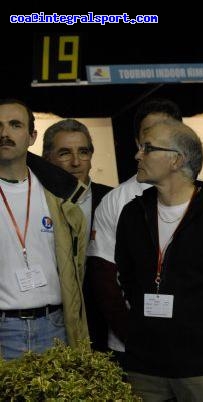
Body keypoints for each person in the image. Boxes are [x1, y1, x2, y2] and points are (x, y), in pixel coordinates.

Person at [115, 119, 203, 400]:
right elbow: (127, 278)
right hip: (146, 367)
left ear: (176, 160)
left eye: (147, 148)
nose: (137, 155)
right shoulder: (133, 214)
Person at [86, 98, 182, 363]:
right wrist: (133, 336)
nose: (157, 139)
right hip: (133, 345)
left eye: (166, 131)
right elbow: (104, 277)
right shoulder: (117, 200)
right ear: (137, 143)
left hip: (195, 346)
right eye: (148, 135)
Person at [0, 99, 88, 360]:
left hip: (56, 326)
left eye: (15, 125)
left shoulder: (60, 196)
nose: (4, 133)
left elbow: (77, 266)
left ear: (31, 136)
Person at [42, 118, 112, 352]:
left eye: (83, 152)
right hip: (54, 322)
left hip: (106, 323)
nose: (75, 162)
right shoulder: (37, 203)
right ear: (47, 158)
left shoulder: (112, 199)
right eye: (64, 153)